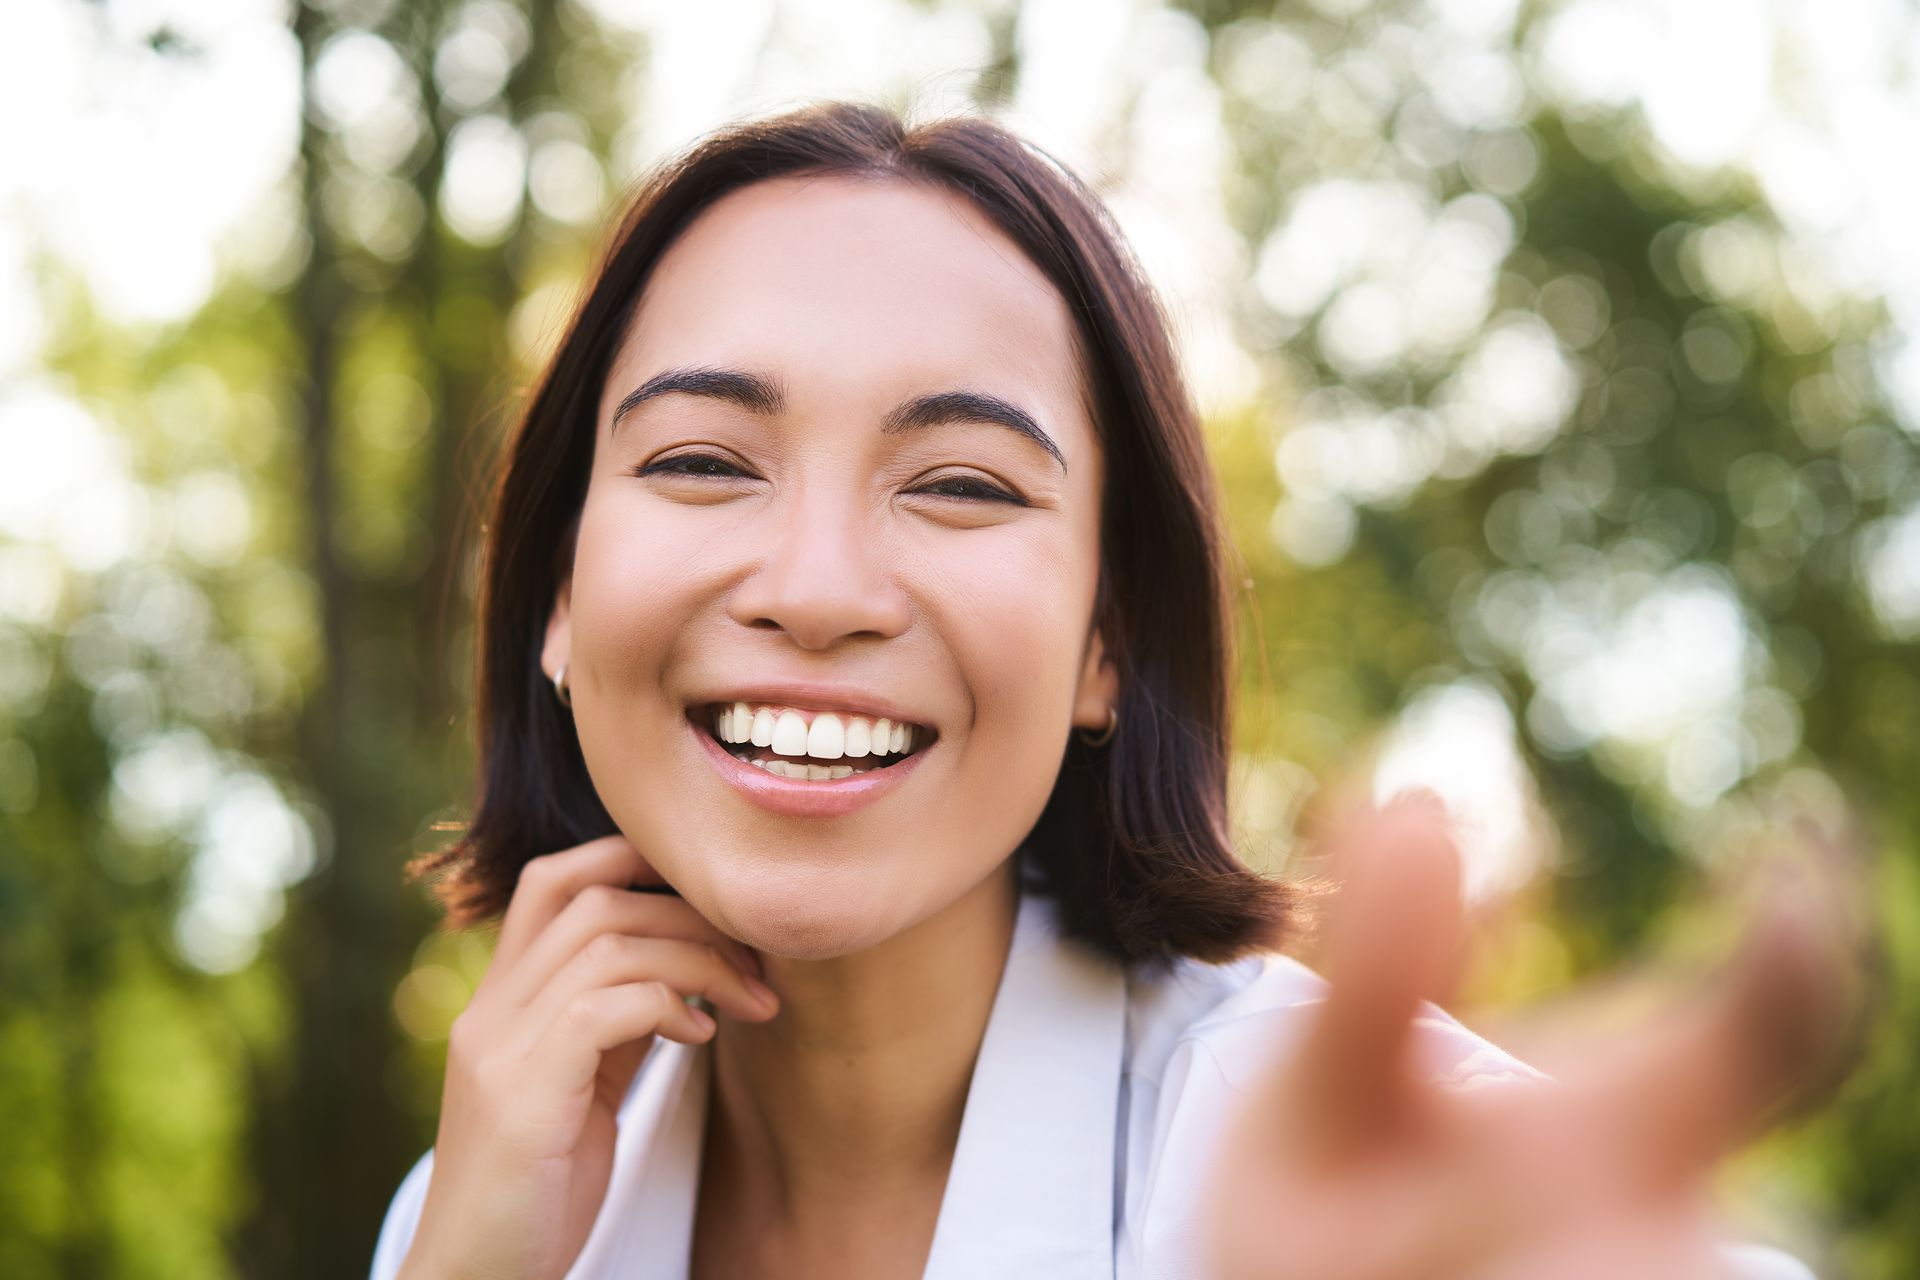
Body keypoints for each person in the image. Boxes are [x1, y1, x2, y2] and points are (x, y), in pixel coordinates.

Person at [368, 101, 1849, 1279]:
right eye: (701, 461)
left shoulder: (1346, 1177)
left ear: (1106, 642)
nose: (815, 589)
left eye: (958, 484)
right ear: (557, 591)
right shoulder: (483, 1206)